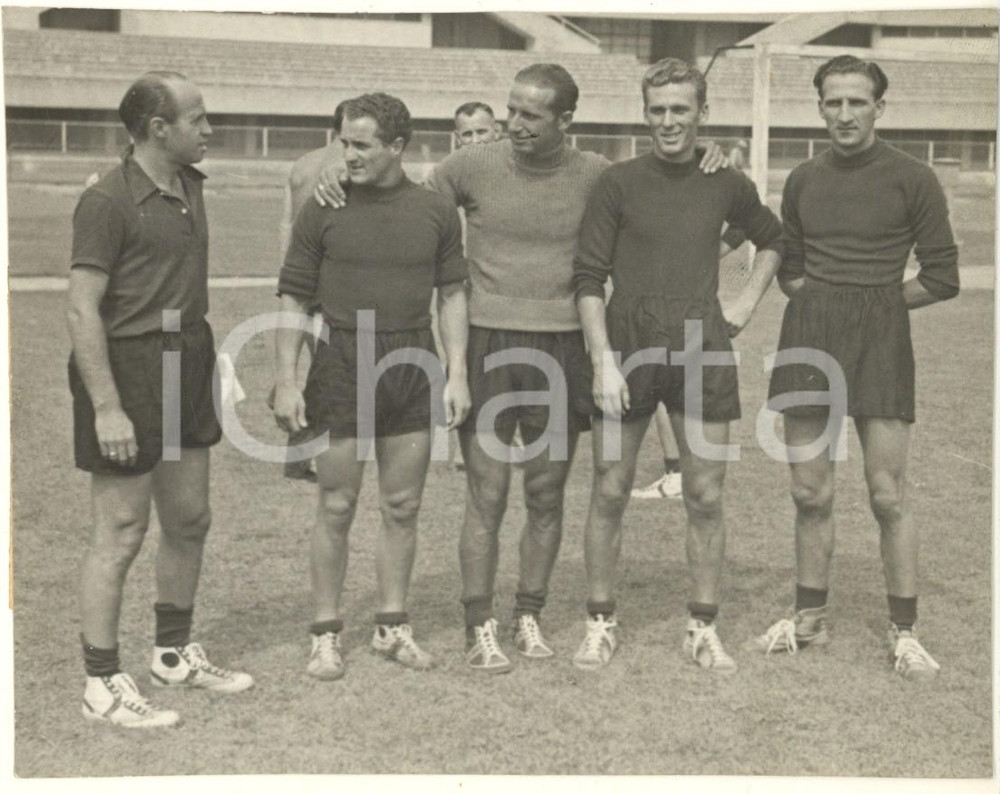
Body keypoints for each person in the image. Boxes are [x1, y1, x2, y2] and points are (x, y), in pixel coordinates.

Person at [749, 55, 959, 681]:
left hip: (882, 340)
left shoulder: (912, 178)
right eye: (833, 102)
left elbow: (943, 275)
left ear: (879, 108)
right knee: (809, 491)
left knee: (888, 495)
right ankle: (808, 617)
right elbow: (789, 264)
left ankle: (905, 631)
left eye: (857, 102)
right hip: (809, 338)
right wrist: (822, 299)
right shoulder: (803, 178)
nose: (844, 114)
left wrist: (875, 303)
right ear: (819, 108)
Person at [571, 58, 782, 673]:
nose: (669, 121)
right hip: (628, 340)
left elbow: (773, 239)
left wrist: (743, 300)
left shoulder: (725, 181)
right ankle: (600, 621)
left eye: (681, 109)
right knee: (610, 487)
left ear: (702, 114)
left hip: (700, 343)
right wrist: (602, 361)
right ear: (646, 114)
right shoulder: (617, 182)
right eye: (658, 110)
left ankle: (702, 625)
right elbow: (587, 276)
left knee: (705, 493)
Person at [68, 72, 253, 729]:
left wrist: (209, 358)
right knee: (120, 532)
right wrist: (106, 405)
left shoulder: (191, 187)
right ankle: (100, 683)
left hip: (187, 361)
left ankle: (172, 653)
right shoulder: (108, 201)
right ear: (157, 129)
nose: (210, 130)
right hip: (129, 369)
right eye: (198, 119)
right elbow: (82, 308)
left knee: (190, 519)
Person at [273, 92, 470, 681]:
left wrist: (457, 372)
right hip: (341, 363)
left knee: (403, 505)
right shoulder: (323, 206)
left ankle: (391, 626)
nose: (348, 154)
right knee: (336, 504)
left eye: (361, 144)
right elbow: (292, 296)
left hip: (412, 362)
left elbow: (453, 294)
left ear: (397, 148)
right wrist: (285, 379)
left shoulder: (435, 211)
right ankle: (326, 632)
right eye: (344, 142)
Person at [271, 102, 347, 482]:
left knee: (306, 363)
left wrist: (285, 275)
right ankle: (309, 454)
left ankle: (299, 453)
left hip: (297, 273)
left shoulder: (303, 163)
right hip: (329, 276)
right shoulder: (347, 165)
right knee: (328, 369)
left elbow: (285, 222)